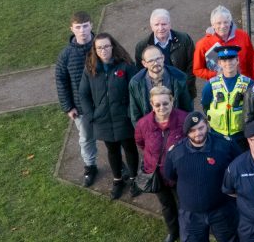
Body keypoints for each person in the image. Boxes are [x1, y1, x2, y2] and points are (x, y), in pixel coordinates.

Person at [163, 112, 248, 242]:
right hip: (191, 213)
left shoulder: (224, 145)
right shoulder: (176, 152)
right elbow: (169, 174)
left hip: (222, 208)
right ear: (187, 133)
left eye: (201, 128)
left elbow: (240, 164)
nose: (198, 133)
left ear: (207, 125)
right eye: (192, 130)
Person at [78, 33, 138, 200]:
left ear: (113, 46)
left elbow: (136, 91)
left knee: (130, 149)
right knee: (112, 151)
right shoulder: (90, 69)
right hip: (102, 119)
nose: (103, 50)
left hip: (124, 118)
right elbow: (83, 94)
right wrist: (91, 115)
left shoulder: (126, 66)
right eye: (99, 48)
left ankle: (134, 179)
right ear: (95, 50)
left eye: (106, 46)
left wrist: (130, 112)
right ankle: (118, 180)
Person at [132, 85, 185, 242]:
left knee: (184, 205)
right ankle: (173, 231)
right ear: (151, 105)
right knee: (167, 205)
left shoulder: (184, 120)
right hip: (157, 174)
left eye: (165, 103)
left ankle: (186, 232)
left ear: (172, 101)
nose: (162, 108)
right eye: (157, 105)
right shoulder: (143, 124)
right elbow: (140, 143)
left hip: (180, 174)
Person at [56, 10, 98, 187]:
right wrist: (68, 107)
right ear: (72, 29)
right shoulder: (66, 55)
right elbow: (61, 80)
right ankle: (90, 167)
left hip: (104, 104)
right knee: (86, 138)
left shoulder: (101, 45)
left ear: (91, 26)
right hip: (81, 108)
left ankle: (119, 166)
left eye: (85, 26)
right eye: (78, 27)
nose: (82, 30)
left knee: (114, 137)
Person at [128, 44, 193, 125]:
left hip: (177, 127)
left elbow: (187, 108)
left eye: (158, 58)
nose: (155, 63)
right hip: (151, 130)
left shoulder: (179, 77)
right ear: (144, 63)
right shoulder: (135, 83)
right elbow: (135, 114)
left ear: (163, 58)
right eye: (151, 61)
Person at [200, 45, 252, 145]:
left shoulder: (248, 84)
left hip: (241, 136)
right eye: (224, 60)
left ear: (237, 60)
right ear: (219, 63)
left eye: (231, 59)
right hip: (217, 136)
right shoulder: (210, 85)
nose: (228, 63)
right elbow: (206, 106)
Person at [192, 5, 253, 81]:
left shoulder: (243, 36)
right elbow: (197, 70)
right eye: (219, 23)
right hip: (219, 86)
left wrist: (253, 82)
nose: (223, 26)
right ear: (213, 25)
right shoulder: (202, 44)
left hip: (243, 82)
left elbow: (252, 61)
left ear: (230, 22)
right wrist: (215, 74)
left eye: (226, 22)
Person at [132, 8, 195, 80]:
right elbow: (142, 73)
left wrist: (184, 85)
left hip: (183, 86)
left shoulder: (184, 39)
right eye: (156, 25)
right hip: (157, 89)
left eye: (164, 24)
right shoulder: (142, 46)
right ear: (151, 26)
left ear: (170, 24)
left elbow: (192, 64)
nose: (161, 28)